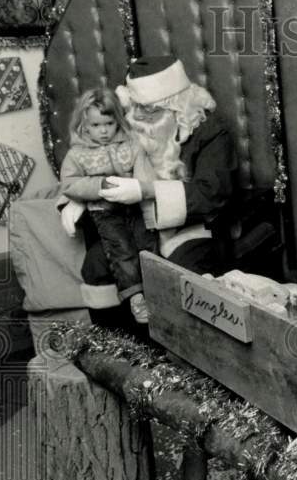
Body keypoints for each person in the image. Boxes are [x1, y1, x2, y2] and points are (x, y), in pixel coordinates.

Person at [62, 56, 236, 321]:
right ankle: (119, 350)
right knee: (97, 264)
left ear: (178, 107)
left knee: (175, 272)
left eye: (150, 109)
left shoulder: (209, 132)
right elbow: (87, 161)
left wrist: (146, 191)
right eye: (136, 107)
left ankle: (174, 352)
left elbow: (212, 195)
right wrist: (72, 201)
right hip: (133, 223)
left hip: (191, 227)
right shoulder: (124, 127)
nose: (140, 116)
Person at [58, 88, 157, 323]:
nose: (103, 131)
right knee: (121, 249)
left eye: (109, 123)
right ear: (84, 124)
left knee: (147, 242)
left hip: (133, 205)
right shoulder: (77, 154)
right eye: (95, 125)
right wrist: (99, 185)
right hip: (104, 211)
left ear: (118, 121)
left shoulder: (132, 145)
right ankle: (135, 296)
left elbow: (145, 178)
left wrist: (140, 190)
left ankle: (157, 292)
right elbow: (69, 184)